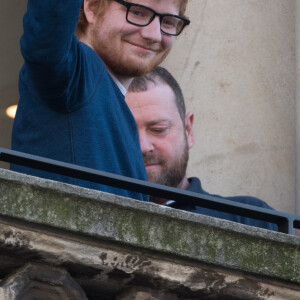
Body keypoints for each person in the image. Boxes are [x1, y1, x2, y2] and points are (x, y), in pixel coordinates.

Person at [11, 0, 190, 201]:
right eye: (138, 12)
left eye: (168, 22)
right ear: (92, 7)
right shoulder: (75, 73)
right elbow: (47, 34)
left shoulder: (119, 108)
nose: (154, 35)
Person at [126, 66, 278, 231]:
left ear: (188, 131)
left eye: (158, 129)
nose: (143, 147)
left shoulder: (251, 219)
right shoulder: (95, 210)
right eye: (127, 132)